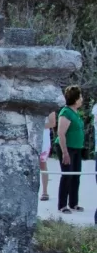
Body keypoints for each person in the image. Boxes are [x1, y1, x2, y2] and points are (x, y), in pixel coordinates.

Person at [57, 85, 86, 214]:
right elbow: (61, 133)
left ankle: (73, 203)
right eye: (80, 97)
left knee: (75, 175)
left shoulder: (75, 113)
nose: (82, 99)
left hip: (76, 148)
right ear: (75, 99)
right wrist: (65, 152)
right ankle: (62, 205)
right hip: (66, 148)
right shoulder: (66, 112)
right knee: (67, 175)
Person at [40, 109, 57, 201]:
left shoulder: (49, 107)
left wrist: (37, 125)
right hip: (29, 137)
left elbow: (52, 123)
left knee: (42, 165)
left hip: (43, 138)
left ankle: (45, 191)